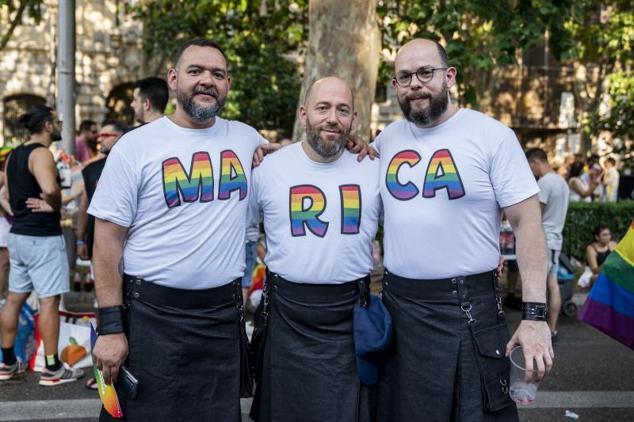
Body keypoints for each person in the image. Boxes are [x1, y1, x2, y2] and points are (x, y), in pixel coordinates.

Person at [373, 38, 552, 422]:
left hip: (470, 309)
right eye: (405, 76)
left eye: (426, 73)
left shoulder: (491, 135)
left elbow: (528, 223)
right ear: (395, 86)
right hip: (400, 312)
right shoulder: (385, 141)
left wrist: (535, 317)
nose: (416, 84)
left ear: (449, 76)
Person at [88, 38, 265, 421]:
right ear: (173, 78)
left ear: (228, 84)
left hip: (220, 318)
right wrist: (111, 327)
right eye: (196, 71)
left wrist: (353, 146)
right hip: (150, 317)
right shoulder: (134, 146)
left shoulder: (245, 137)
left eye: (217, 74)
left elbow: (303, 159)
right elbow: (105, 241)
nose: (207, 81)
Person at [249, 76, 380, 422]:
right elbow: (240, 230)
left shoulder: (374, 167)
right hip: (286, 314)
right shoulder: (267, 169)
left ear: (354, 119)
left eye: (342, 110)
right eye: (323, 108)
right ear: (304, 113)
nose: (332, 118)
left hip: (350, 316)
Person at [0, 105, 84, 385]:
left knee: (14, 298)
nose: (60, 125)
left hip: (19, 235)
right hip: (42, 238)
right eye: (57, 121)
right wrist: (54, 205)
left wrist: (26, 209)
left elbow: (9, 196)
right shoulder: (41, 153)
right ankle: (52, 368)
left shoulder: (13, 156)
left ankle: (7, 362)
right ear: (47, 125)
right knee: (49, 301)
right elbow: (50, 190)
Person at [526, 148, 569, 342]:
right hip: (555, 239)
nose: (530, 171)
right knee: (550, 284)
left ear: (535, 161)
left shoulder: (544, 182)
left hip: (546, 239)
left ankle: (548, 330)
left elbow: (536, 214)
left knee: (545, 285)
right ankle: (551, 330)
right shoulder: (562, 181)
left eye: (530, 166)